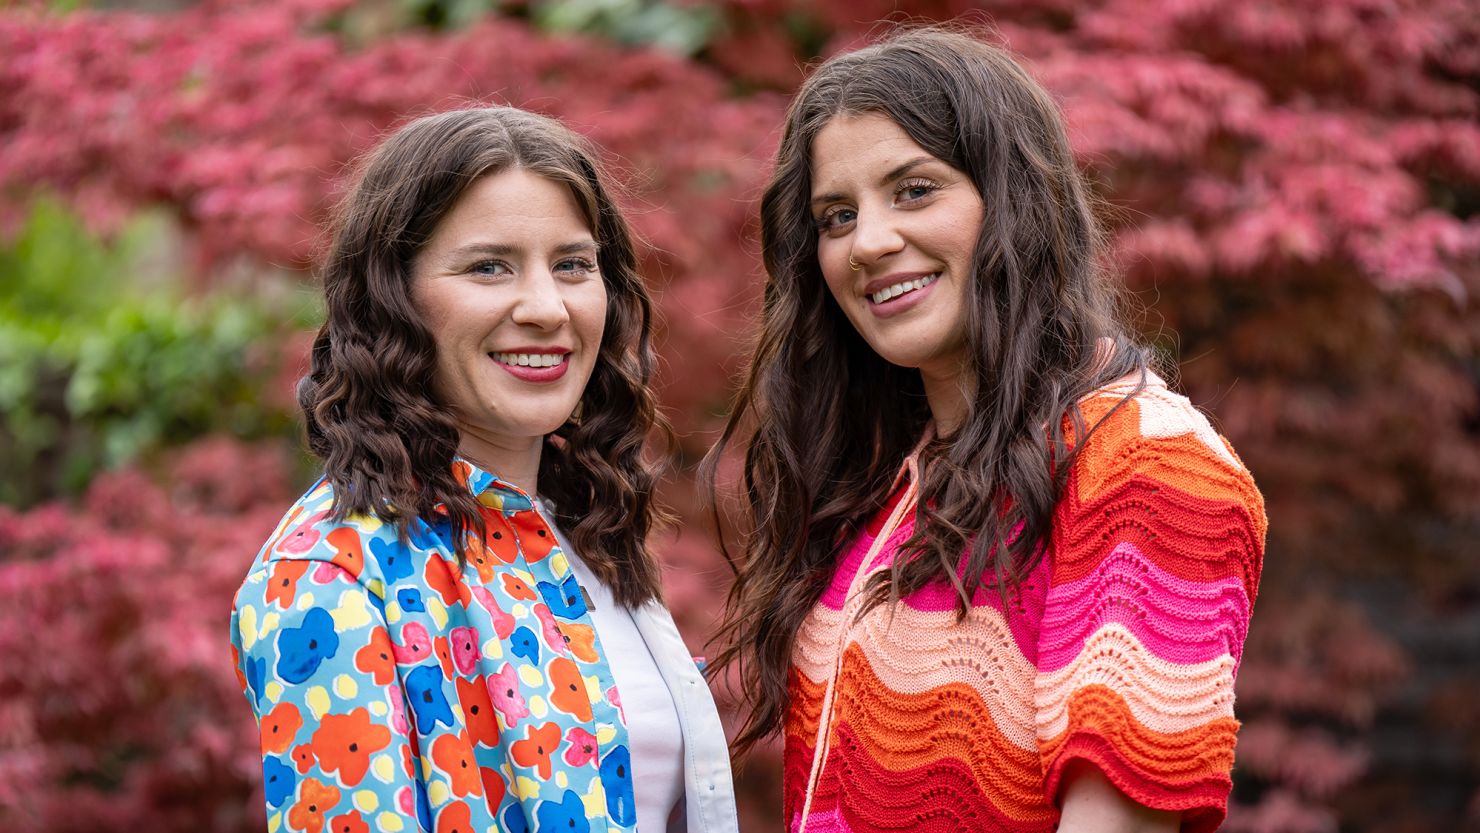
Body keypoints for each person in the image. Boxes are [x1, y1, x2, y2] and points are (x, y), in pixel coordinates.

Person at [708, 28, 1266, 833]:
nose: (867, 242)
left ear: (1014, 201)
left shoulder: (1146, 462)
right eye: (837, 215)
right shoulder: (893, 478)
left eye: (914, 189)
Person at [230, 106, 738, 833]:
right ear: (394, 298)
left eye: (572, 265)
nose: (545, 307)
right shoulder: (330, 572)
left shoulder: (580, 535)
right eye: (489, 266)